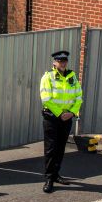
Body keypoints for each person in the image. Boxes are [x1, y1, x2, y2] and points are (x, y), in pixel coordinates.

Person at [38, 50, 82, 193]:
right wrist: (60, 113)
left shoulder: (72, 76)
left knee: (61, 148)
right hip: (52, 117)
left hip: (67, 118)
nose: (63, 63)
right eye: (60, 61)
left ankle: (56, 175)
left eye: (65, 61)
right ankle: (49, 178)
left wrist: (72, 112)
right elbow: (46, 98)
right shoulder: (48, 77)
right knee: (51, 149)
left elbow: (78, 97)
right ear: (54, 62)